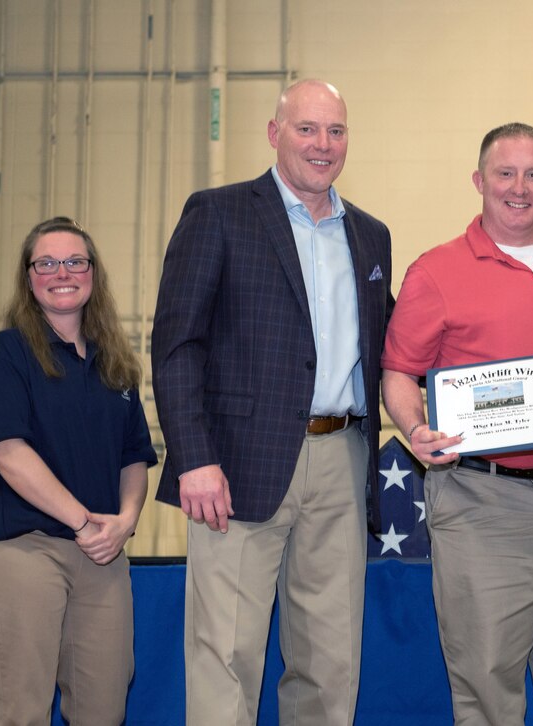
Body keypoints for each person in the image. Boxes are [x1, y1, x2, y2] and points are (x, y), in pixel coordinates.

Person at [151, 79, 392, 725]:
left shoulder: (371, 236)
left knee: (330, 660)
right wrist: (194, 457)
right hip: (235, 465)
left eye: (335, 131)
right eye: (307, 128)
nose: (323, 144)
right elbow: (177, 344)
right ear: (274, 132)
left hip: (343, 459)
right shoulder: (220, 212)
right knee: (226, 652)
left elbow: (395, 348)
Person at [382, 122, 533, 725]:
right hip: (481, 502)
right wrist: (417, 432)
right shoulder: (435, 271)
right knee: (488, 694)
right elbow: (398, 375)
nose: (520, 188)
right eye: (506, 173)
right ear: (479, 181)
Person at [0, 216, 157, 725]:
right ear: (28, 277)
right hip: (25, 551)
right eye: (46, 263)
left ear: (93, 272)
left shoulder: (115, 364)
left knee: (105, 707)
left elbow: (134, 458)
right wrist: (82, 521)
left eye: (74, 261)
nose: (62, 272)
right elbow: (9, 453)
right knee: (22, 709)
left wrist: (124, 522)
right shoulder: (6, 354)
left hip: (103, 556)